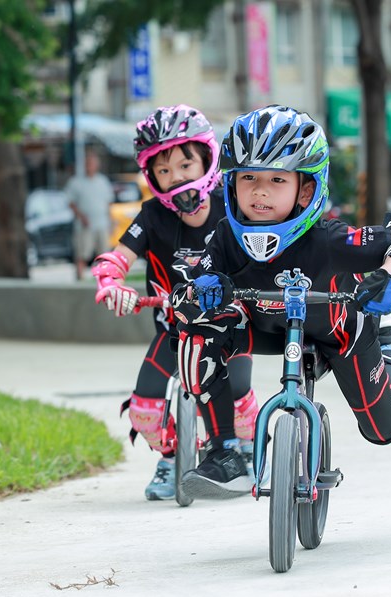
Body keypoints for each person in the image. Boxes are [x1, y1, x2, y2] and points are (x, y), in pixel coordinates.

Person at [170, 105, 391, 499]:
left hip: (339, 332)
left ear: (307, 189)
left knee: (382, 430)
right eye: (248, 178)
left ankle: (390, 344)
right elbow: (188, 293)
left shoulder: (328, 239)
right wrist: (200, 292)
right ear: (231, 183)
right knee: (195, 334)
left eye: (277, 179)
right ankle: (225, 451)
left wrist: (389, 276)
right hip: (267, 327)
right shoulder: (226, 237)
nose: (259, 191)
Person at [90, 104, 260, 501]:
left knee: (238, 403)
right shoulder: (151, 216)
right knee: (144, 411)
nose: (175, 178)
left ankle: (246, 446)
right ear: (151, 177)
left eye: (185, 165)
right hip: (173, 329)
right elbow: (117, 257)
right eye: (163, 171)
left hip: (229, 328)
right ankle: (171, 456)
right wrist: (111, 282)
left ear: (207, 159)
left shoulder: (233, 207)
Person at [66, 150, 115, 280]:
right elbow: (70, 203)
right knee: (83, 253)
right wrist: (81, 216)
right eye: (88, 163)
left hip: (102, 223)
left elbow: (108, 203)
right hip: (84, 224)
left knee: (104, 254)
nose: (90, 165)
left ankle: (104, 279)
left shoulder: (103, 181)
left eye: (92, 163)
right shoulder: (76, 182)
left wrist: (110, 221)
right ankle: (80, 278)